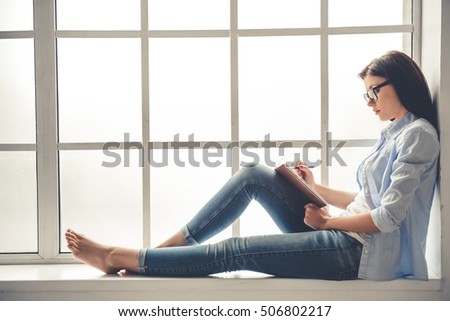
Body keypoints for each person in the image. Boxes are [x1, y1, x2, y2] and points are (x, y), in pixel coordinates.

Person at [66, 50, 439, 281]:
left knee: (239, 250)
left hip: (359, 254)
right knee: (253, 176)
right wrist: (314, 187)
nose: (369, 101)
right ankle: (166, 252)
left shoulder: (418, 135)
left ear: (400, 83)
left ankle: (120, 257)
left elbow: (388, 217)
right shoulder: (394, 131)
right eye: (366, 94)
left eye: (375, 91)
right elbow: (366, 198)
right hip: (345, 235)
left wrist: (327, 221)